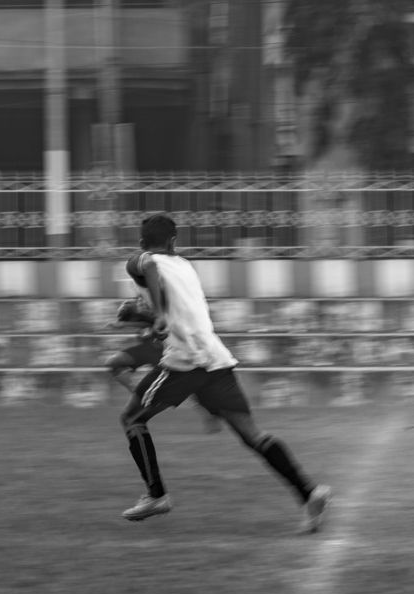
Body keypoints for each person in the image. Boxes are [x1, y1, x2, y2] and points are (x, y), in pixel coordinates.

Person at [117, 213, 331, 533]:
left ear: (141, 244)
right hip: (216, 359)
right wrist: (143, 314)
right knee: (253, 435)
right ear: (174, 242)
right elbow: (173, 309)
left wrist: (155, 315)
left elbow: (148, 269)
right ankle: (308, 493)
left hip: (184, 362)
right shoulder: (185, 266)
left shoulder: (141, 261)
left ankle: (156, 495)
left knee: (132, 419)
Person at [106, 295, 223, 434]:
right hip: (147, 350)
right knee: (114, 363)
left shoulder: (158, 308)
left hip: (163, 351)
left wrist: (124, 324)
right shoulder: (142, 304)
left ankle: (210, 415)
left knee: (187, 387)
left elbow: (153, 322)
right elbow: (144, 325)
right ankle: (138, 392)